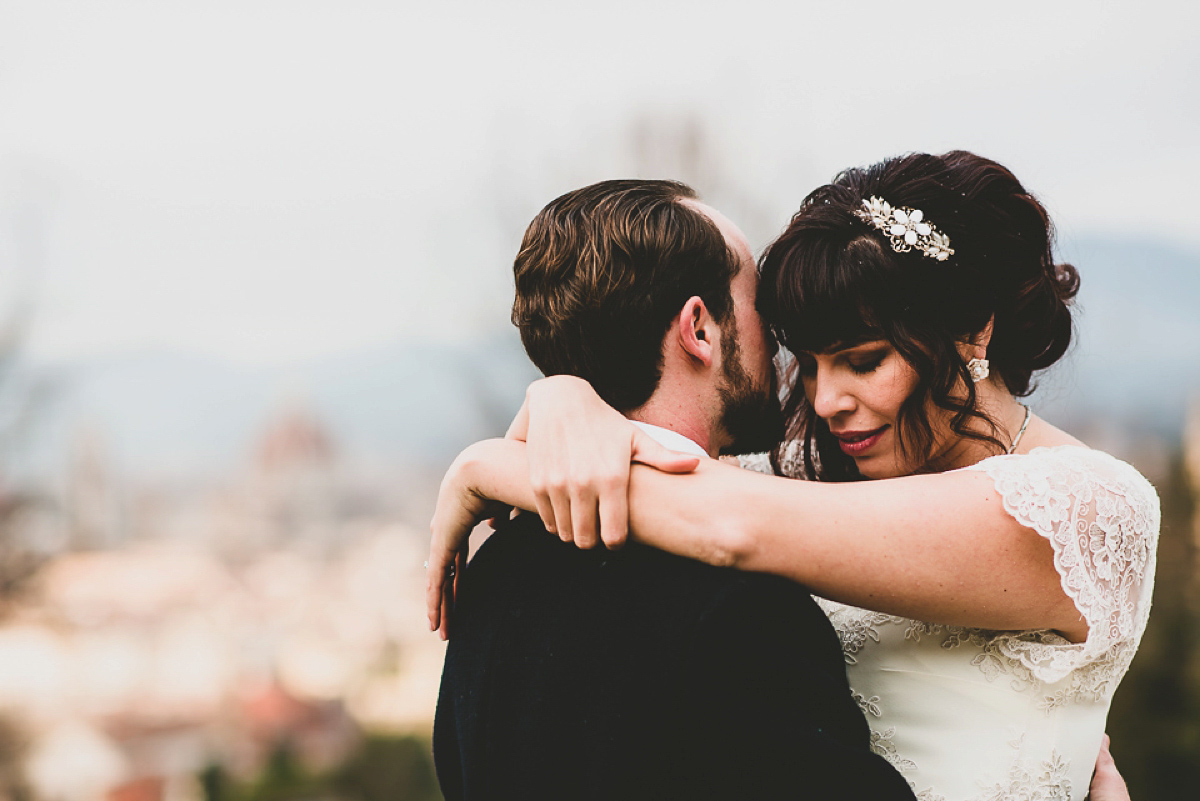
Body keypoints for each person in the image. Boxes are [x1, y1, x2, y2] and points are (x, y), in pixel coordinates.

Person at [427, 153, 1158, 801]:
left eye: (864, 359)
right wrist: (563, 395)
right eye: (806, 363)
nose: (824, 399)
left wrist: (488, 464)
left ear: (972, 328)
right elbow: (690, 482)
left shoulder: (1085, 508)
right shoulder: (820, 471)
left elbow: (723, 519)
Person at [432, 179, 915, 800]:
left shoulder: (494, 572)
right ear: (700, 330)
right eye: (761, 310)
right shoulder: (740, 602)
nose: (780, 344)